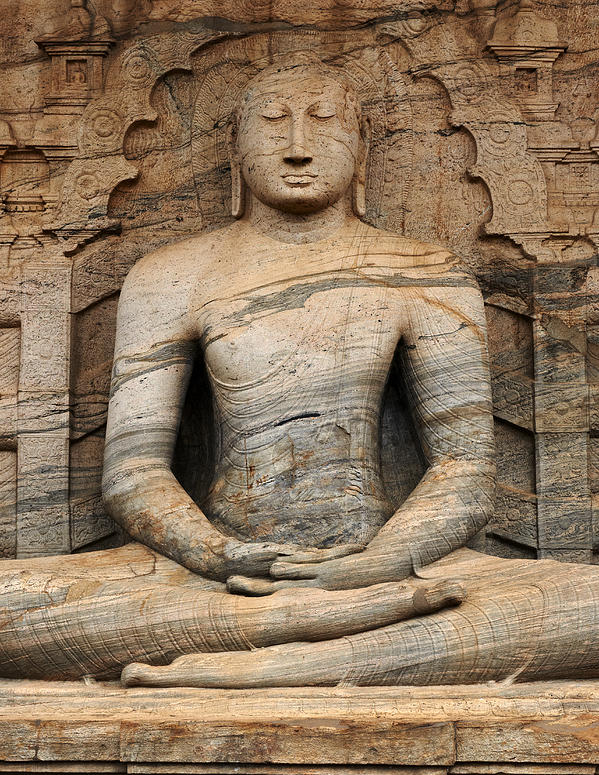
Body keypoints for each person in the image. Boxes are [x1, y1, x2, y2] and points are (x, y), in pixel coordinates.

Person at [2, 59, 598, 687]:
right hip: (216, 579)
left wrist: (376, 565)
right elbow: (133, 473)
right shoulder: (170, 275)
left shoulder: (424, 273)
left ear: (361, 150)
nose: (296, 147)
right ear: (237, 151)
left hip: (387, 568)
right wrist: (218, 554)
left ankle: (278, 654)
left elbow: (466, 469)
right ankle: (318, 638)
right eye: (272, 124)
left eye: (323, 122)